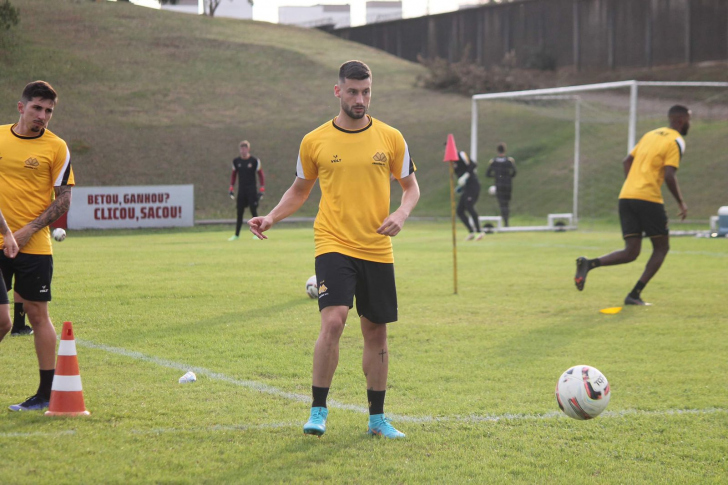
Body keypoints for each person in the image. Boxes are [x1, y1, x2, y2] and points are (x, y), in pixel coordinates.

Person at [248, 60, 419, 439]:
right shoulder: (315, 140)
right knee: (334, 321)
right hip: (333, 243)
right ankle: (318, 410)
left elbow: (411, 187)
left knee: (376, 333)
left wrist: (402, 214)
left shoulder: (391, 138)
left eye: (367, 91)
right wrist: (271, 217)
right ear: (338, 91)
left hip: (377, 247)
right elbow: (299, 190)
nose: (361, 99)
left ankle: (377, 419)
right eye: (354, 91)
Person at [0, 80, 75, 411]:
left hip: (35, 244)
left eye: (48, 111)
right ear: (21, 107)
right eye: (37, 108)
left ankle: (45, 394)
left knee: (37, 314)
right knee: (3, 321)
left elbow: (64, 200)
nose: (42, 116)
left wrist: (28, 230)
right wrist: (6, 233)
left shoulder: (57, 147)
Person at [574, 105, 690, 306]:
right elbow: (670, 174)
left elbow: (626, 161)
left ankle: (589, 264)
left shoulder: (650, 135)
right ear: (680, 120)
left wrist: (633, 184)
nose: (690, 123)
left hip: (626, 196)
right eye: (689, 119)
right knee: (661, 248)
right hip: (648, 198)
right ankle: (635, 294)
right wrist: (680, 202)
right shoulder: (676, 140)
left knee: (631, 251)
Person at [228, 140, 265, 241]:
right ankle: (236, 235)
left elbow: (261, 175)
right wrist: (231, 187)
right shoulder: (236, 161)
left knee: (254, 211)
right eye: (241, 148)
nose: (243, 150)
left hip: (252, 190)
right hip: (242, 190)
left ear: (248, 149)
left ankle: (257, 233)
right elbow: (233, 175)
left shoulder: (254, 161)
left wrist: (262, 188)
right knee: (239, 212)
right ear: (240, 150)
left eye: (245, 148)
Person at [454, 150, 483, 240]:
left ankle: (479, 231)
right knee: (459, 210)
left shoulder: (461, 155)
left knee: (469, 206)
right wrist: (460, 186)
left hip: (473, 185)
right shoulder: (452, 162)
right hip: (466, 188)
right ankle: (471, 232)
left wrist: (466, 176)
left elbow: (473, 164)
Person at [486, 143, 517, 227]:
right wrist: (508, 177)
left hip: (498, 184)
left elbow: (487, 174)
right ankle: (506, 222)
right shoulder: (509, 161)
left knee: (501, 203)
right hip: (507, 184)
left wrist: (495, 176)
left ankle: (505, 220)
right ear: (505, 150)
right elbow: (514, 172)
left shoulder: (494, 161)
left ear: (497, 150)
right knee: (507, 203)